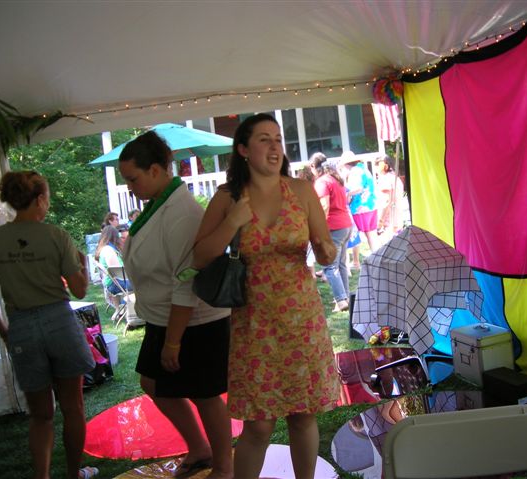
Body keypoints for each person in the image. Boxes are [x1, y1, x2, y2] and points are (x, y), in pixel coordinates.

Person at [193, 114, 341, 479]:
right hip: (255, 324)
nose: (275, 147)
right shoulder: (228, 197)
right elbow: (199, 257)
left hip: (302, 321)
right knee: (258, 425)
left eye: (277, 139)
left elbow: (325, 247)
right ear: (243, 149)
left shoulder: (301, 191)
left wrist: (326, 251)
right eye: (264, 139)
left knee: (302, 415)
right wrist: (232, 222)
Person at [118, 131, 233, 479]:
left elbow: (186, 282)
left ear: (155, 170)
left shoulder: (181, 213)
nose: (129, 187)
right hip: (165, 318)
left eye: (132, 179)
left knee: (205, 395)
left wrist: (173, 341)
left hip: (194, 321)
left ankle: (224, 468)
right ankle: (200, 449)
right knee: (153, 384)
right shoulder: (158, 206)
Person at [0, 171, 99, 479]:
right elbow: (79, 290)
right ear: (39, 200)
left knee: (41, 415)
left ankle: (42, 476)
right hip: (59, 322)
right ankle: (74, 474)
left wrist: (5, 332)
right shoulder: (56, 235)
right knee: (73, 407)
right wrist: (84, 267)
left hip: (21, 327)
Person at [310, 152, 353, 312]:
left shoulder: (322, 182)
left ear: (313, 166)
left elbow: (324, 206)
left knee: (329, 265)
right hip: (346, 225)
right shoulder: (336, 178)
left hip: (334, 227)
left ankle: (341, 300)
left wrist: (319, 227)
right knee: (341, 264)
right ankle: (345, 297)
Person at [339, 151, 379, 255]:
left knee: (358, 234)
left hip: (360, 208)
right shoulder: (364, 169)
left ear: (346, 164)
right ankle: (377, 256)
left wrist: (347, 194)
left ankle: (361, 259)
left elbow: (358, 188)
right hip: (371, 205)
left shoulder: (355, 171)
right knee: (371, 234)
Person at [375, 155, 406, 244]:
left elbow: (386, 202)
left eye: (377, 165)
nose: (376, 168)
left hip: (389, 222)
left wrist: (380, 221)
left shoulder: (385, 179)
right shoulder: (395, 178)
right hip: (397, 220)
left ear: (384, 165)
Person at [94, 225, 132, 295]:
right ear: (115, 237)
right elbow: (118, 273)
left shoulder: (108, 248)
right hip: (116, 284)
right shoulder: (108, 250)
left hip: (118, 282)